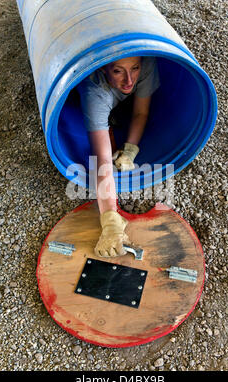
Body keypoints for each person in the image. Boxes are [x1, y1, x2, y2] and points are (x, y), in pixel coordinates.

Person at [77, 56, 160, 257]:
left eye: (134, 68)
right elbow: (103, 161)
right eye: (118, 71)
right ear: (104, 68)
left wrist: (130, 149)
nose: (129, 80)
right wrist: (110, 220)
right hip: (99, 95)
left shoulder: (147, 62)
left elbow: (141, 112)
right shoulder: (94, 93)